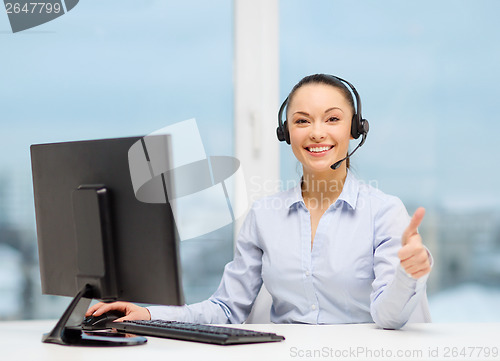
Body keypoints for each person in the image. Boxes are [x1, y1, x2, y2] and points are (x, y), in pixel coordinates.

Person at [86, 74, 432, 329]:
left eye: (332, 119)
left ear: (355, 129)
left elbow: (388, 318)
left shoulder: (384, 212)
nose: (316, 132)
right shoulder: (265, 216)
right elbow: (226, 309)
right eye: (301, 121)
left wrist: (407, 273)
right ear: (286, 133)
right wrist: (149, 313)